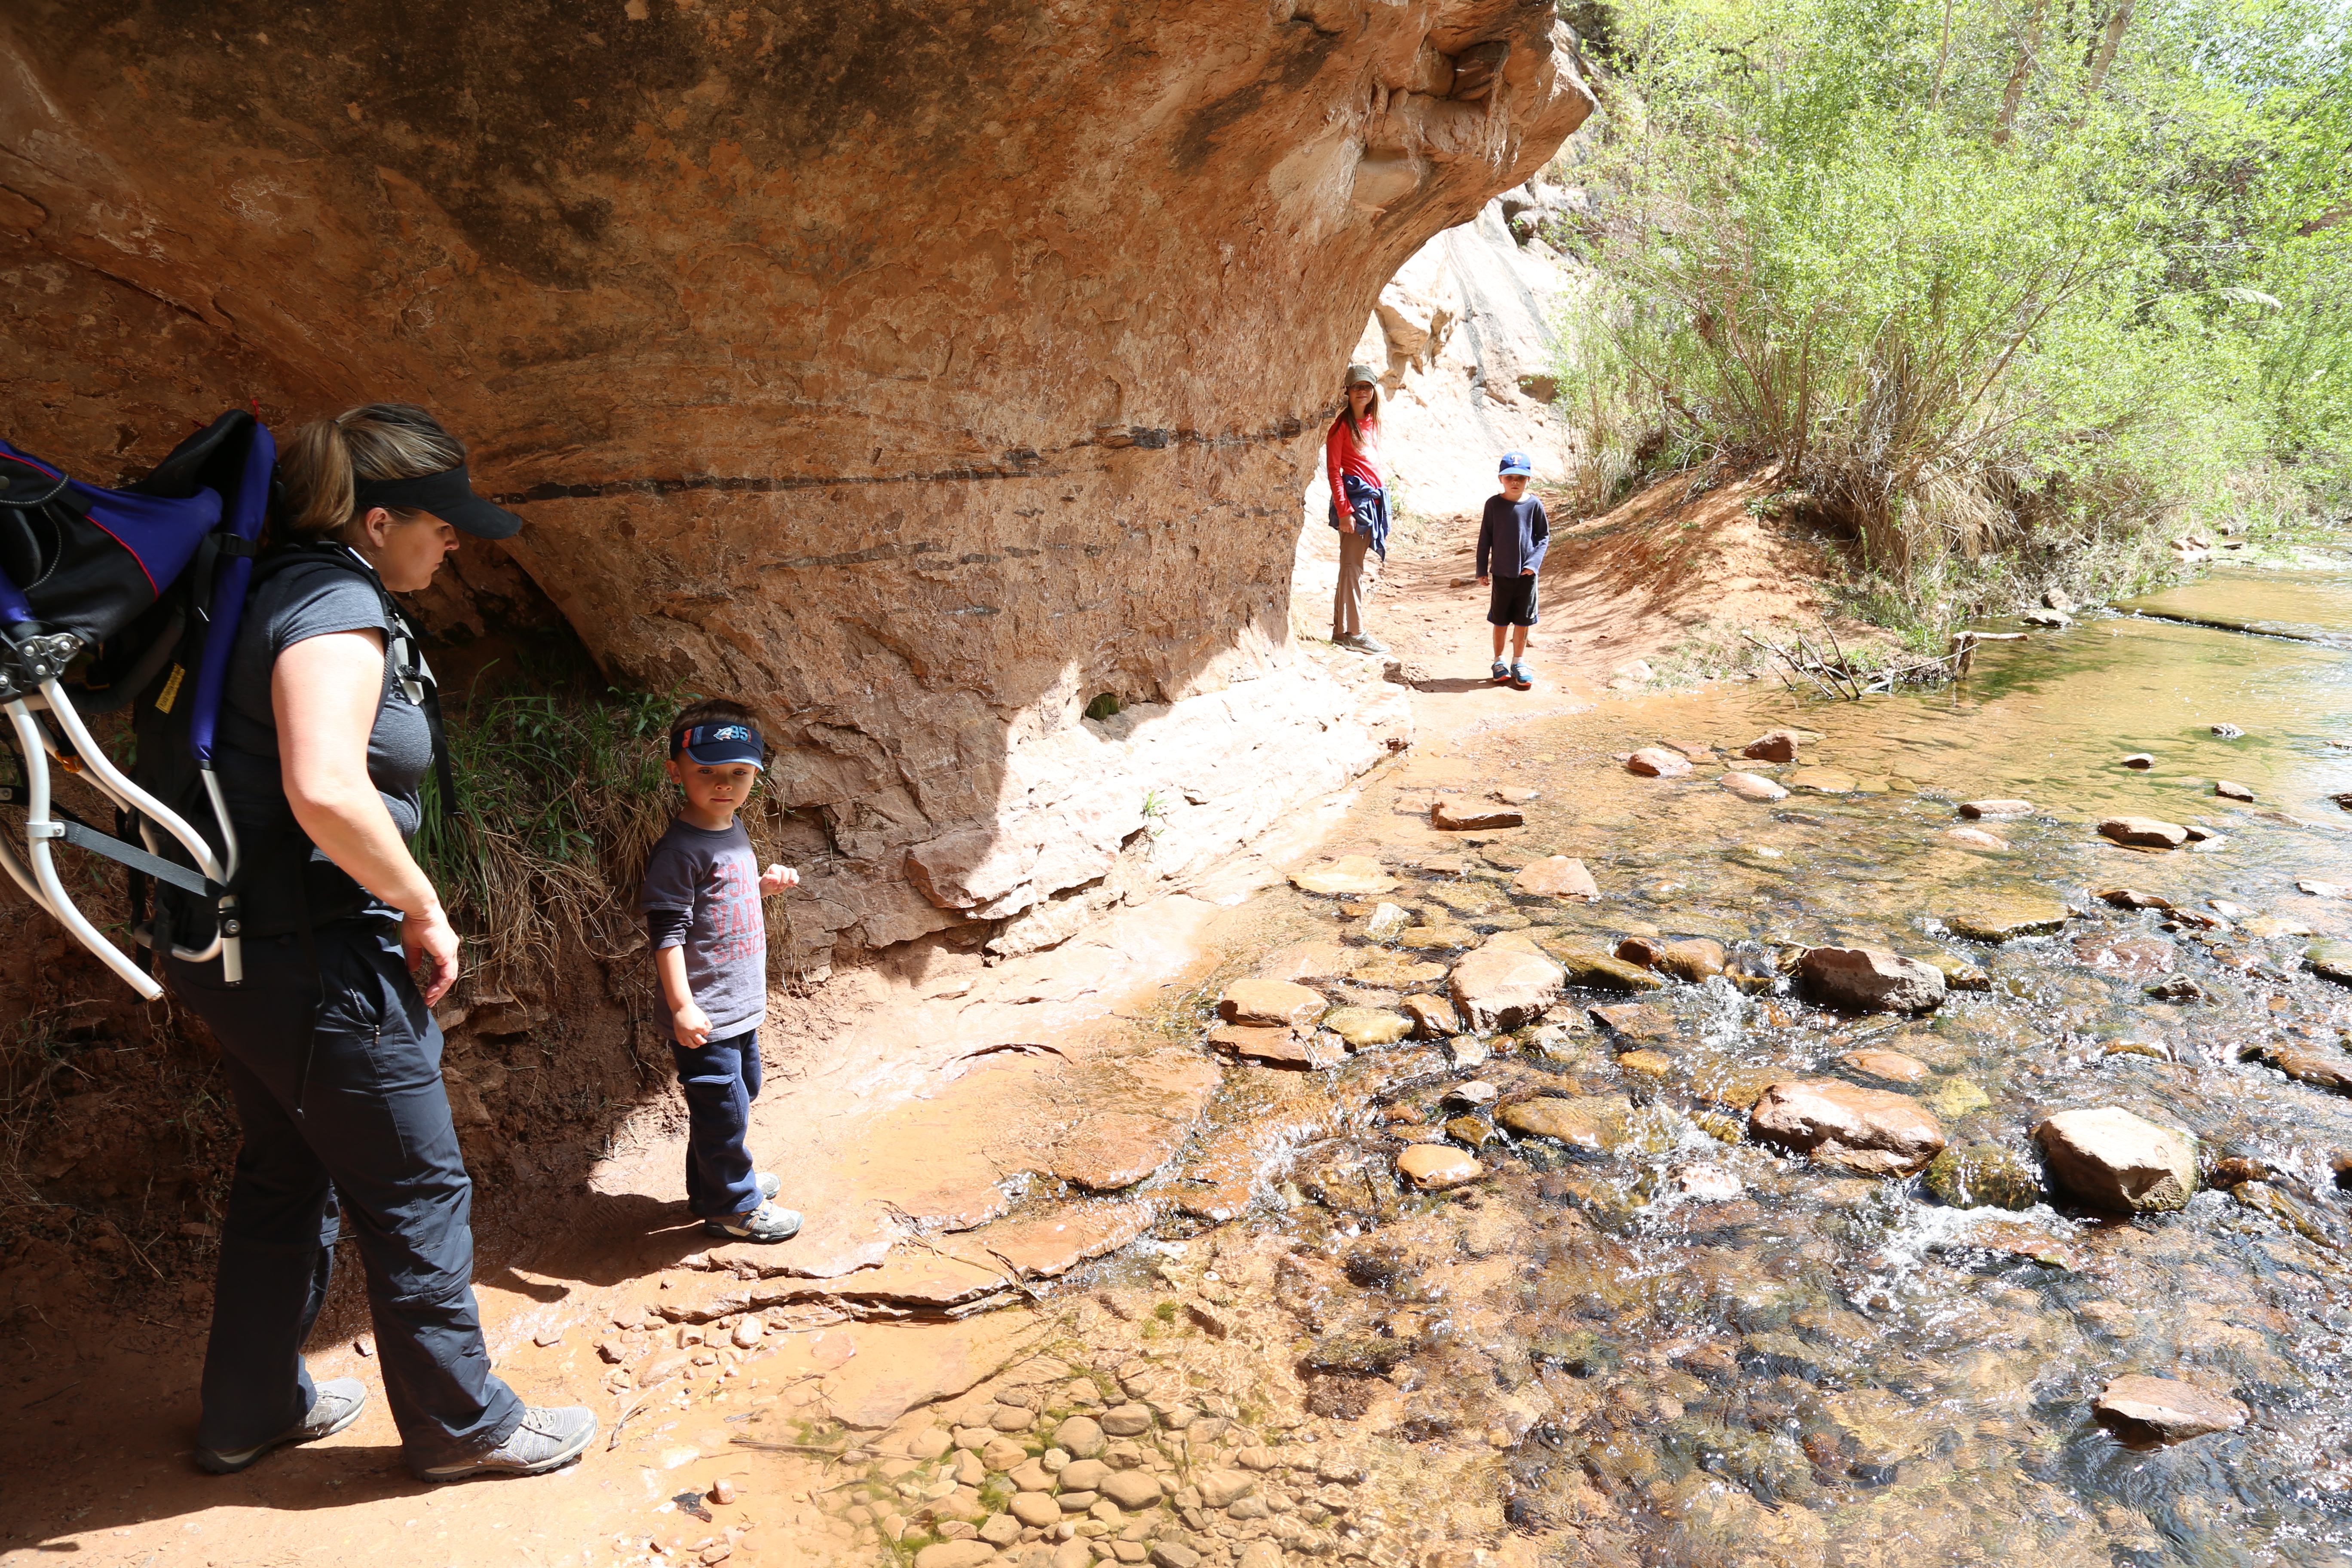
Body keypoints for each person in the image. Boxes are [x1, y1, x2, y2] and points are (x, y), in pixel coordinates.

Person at [164, 403, 595, 1481]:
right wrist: (419, 901)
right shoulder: (330, 603)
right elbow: (323, 789)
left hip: (234, 948)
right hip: (316, 960)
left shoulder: (259, 586)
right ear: (376, 519)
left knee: (284, 1173)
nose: (452, 544)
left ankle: (249, 1407)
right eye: (439, 525)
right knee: (416, 1186)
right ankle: (464, 1426)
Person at [638, 700, 804, 1243]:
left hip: (738, 1004)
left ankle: (710, 1188)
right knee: (724, 1110)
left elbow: (719, 900)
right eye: (706, 772)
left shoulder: (731, 830)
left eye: (739, 772)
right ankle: (734, 1208)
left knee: (738, 1094)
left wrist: (762, 887)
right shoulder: (680, 849)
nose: (724, 784)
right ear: (676, 772)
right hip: (706, 1010)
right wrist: (683, 1006)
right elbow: (668, 932)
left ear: (757, 771)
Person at [1324, 362, 1391, 654]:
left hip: (1370, 503)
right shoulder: (1341, 427)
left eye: (1367, 387)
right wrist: (1344, 511)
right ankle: (1355, 632)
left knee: (1353, 566)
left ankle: (1342, 631)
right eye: (1356, 387)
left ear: (1373, 391)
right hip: (1355, 504)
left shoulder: (1372, 422)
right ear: (1348, 392)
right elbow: (1334, 470)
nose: (1362, 392)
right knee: (1352, 567)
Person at [1475, 451, 1550, 691]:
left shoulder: (1534, 504)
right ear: (1501, 479)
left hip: (1527, 575)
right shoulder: (1494, 505)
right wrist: (1481, 569)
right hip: (1501, 573)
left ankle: (1519, 662)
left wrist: (1533, 564)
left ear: (1528, 479)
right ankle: (1499, 661)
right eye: (1510, 478)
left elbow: (1543, 537)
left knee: (1523, 620)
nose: (1515, 482)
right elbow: (1485, 538)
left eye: (1521, 478)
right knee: (1500, 620)